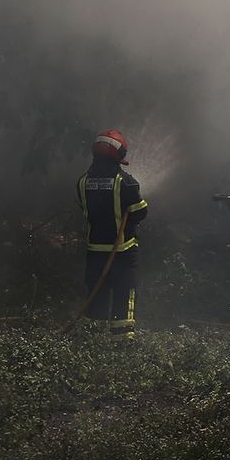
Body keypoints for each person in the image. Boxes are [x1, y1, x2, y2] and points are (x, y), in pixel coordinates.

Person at [77, 129, 148, 337]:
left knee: (96, 293)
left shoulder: (82, 182)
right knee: (123, 293)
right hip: (122, 252)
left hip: (95, 252)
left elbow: (86, 208)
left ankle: (92, 339)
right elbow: (140, 212)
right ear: (119, 154)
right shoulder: (125, 183)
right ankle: (123, 341)